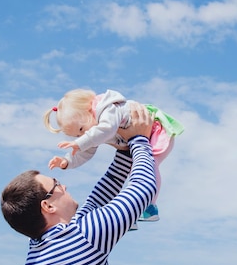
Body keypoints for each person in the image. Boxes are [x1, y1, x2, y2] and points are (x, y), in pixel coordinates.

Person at [1, 104, 157, 265]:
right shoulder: (83, 238)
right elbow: (143, 188)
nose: (64, 185)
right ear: (48, 206)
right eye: (56, 185)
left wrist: (123, 151)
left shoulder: (43, 249)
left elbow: (99, 198)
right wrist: (139, 140)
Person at [43, 88, 183, 222]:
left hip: (155, 132)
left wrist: (80, 142)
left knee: (149, 166)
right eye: (78, 135)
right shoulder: (92, 129)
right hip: (137, 141)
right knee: (131, 170)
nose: (83, 135)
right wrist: (67, 161)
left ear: (89, 110)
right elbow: (85, 151)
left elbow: (107, 129)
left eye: (81, 129)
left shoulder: (107, 109)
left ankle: (150, 206)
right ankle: (132, 214)